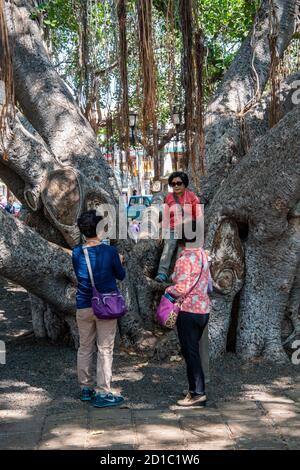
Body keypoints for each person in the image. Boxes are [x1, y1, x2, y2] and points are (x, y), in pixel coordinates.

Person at [72, 210, 126, 408]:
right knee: (105, 348)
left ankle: (85, 388)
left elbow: (80, 275)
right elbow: (121, 275)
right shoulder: (110, 252)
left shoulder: (77, 252)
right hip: (106, 305)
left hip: (84, 305)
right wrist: (119, 261)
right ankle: (103, 391)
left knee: (85, 347)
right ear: (99, 228)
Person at [165, 226, 210, 407]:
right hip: (203, 309)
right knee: (194, 352)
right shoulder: (203, 255)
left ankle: (197, 393)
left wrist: (168, 290)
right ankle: (195, 388)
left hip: (188, 310)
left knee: (190, 353)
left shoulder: (184, 259)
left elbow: (181, 288)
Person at [155, 172, 201, 283]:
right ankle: (162, 273)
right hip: (172, 228)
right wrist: (162, 232)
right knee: (168, 247)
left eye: (179, 183)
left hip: (187, 230)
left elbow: (199, 215)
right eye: (173, 184)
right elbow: (166, 216)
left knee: (182, 252)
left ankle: (178, 275)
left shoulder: (192, 197)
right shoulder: (169, 198)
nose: (176, 186)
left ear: (184, 184)